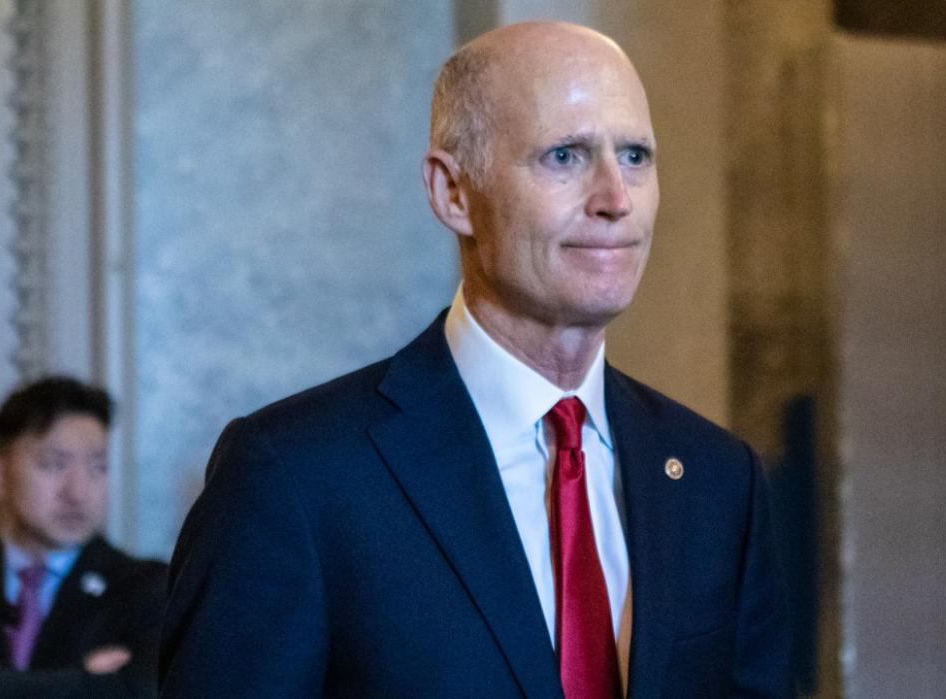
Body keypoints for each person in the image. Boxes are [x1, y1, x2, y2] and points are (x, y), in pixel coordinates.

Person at [160, 20, 791, 698]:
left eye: (636, 155)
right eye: (566, 156)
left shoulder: (720, 480)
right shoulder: (294, 476)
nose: (617, 198)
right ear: (453, 193)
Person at [0, 377, 167, 699]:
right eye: (54, 464)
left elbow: (145, 691)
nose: (78, 492)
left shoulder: (149, 590)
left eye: (99, 467)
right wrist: (86, 685)